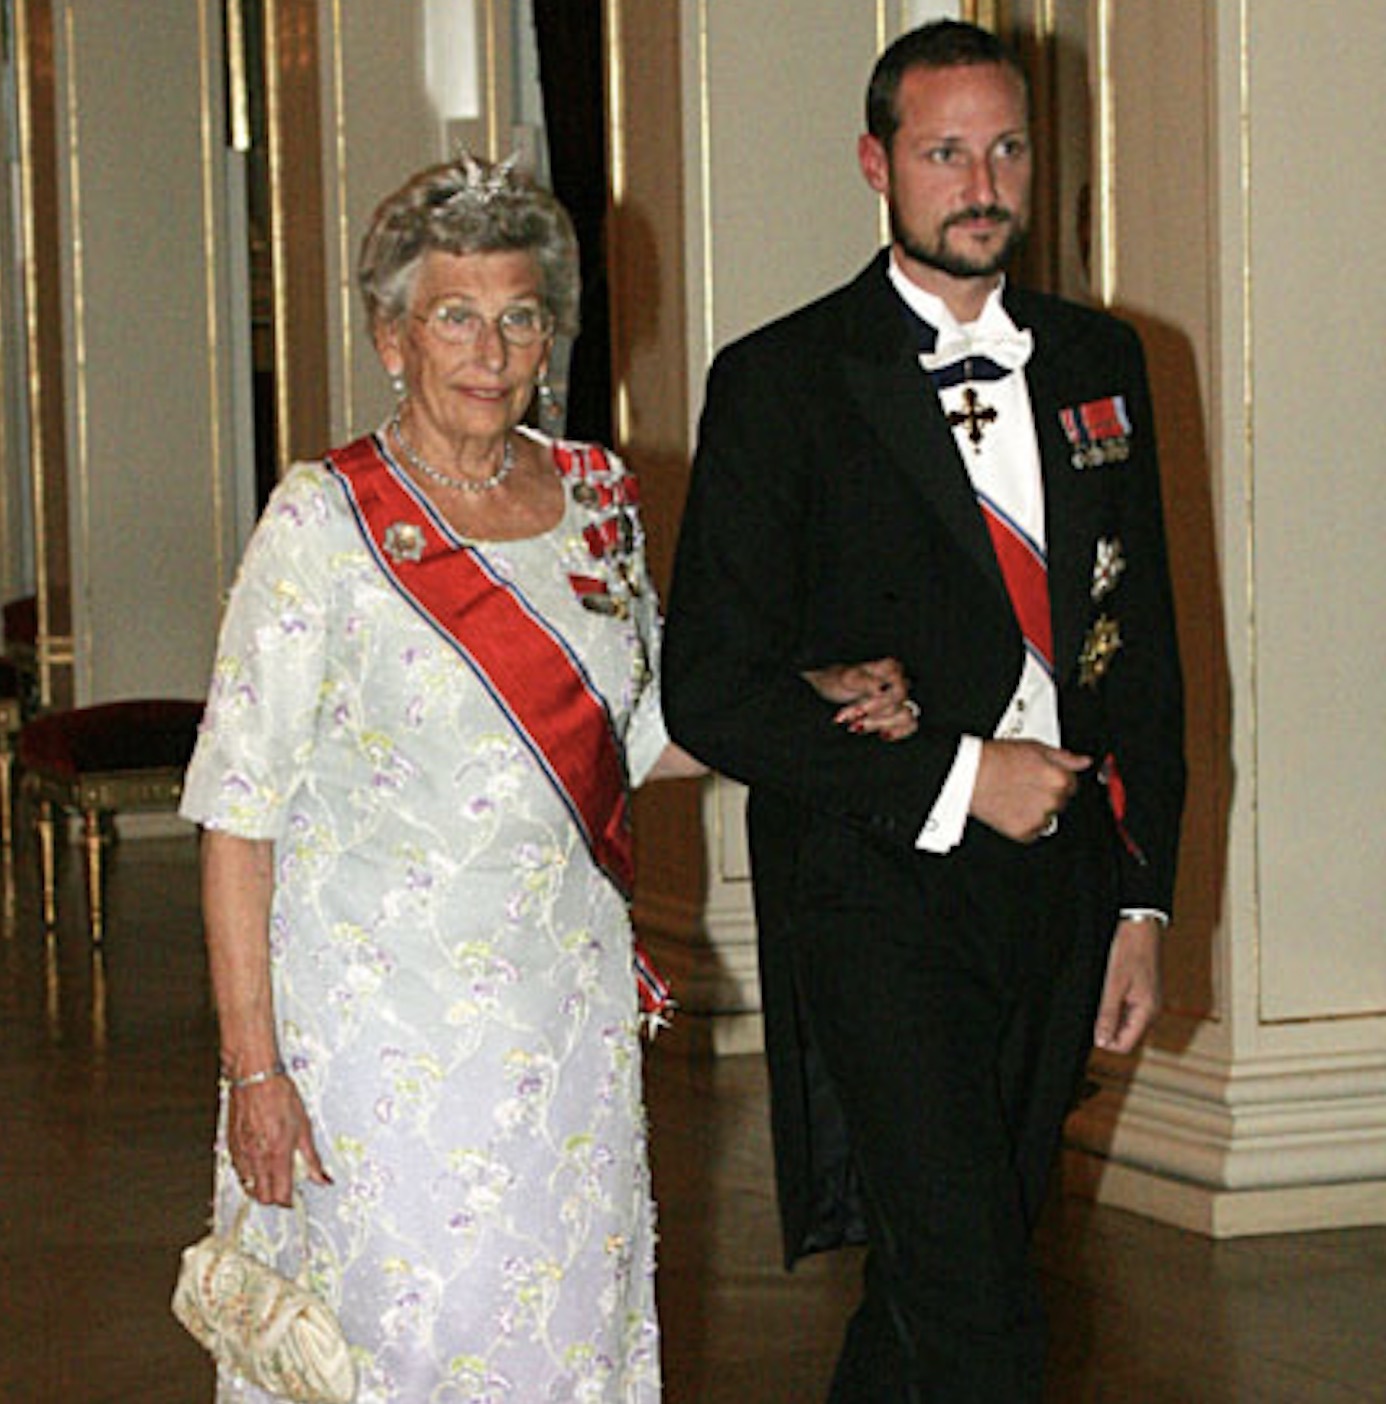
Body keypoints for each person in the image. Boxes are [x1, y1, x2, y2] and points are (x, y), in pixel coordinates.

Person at [662, 21, 1185, 1403]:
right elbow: (709, 688)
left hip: (1062, 892)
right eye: (945, 152)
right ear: (875, 164)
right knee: (980, 1308)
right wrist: (958, 776)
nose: (982, 184)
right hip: (876, 892)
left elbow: (1143, 658)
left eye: (1006, 149)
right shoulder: (781, 381)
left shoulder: (1101, 360)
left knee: (933, 1285)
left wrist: (1143, 902)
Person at [180, 153, 715, 1403]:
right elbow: (238, 817)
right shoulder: (324, 521)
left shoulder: (598, 500)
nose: (491, 350)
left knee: (561, 1336)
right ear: (393, 337)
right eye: (455, 317)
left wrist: (814, 704)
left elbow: (641, 735)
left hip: (563, 1027)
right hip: (376, 1051)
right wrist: (255, 1071)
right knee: (395, 1348)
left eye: (520, 317)